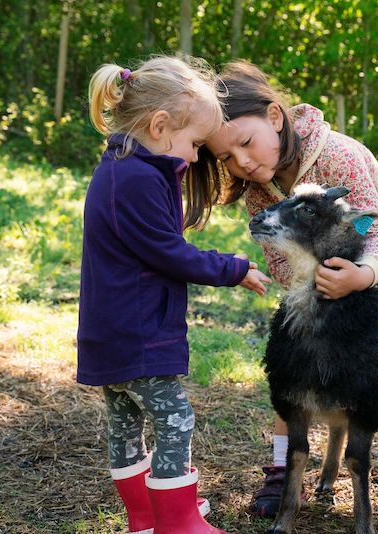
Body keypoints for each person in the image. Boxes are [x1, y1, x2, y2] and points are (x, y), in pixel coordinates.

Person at [191, 61, 378, 531]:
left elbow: (372, 224)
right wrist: (305, 284)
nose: (243, 162)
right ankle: (282, 470)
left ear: (275, 116)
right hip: (312, 268)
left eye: (246, 143)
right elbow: (276, 257)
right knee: (297, 360)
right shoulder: (260, 192)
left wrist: (364, 275)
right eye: (227, 157)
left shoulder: (336, 153)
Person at [78, 55, 270, 534]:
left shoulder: (123, 167)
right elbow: (168, 252)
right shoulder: (139, 178)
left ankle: (145, 514)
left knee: (125, 423)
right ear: (160, 125)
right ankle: (178, 522)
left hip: (111, 330)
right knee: (175, 420)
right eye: (195, 144)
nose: (194, 157)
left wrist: (174, 171)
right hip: (139, 331)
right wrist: (234, 268)